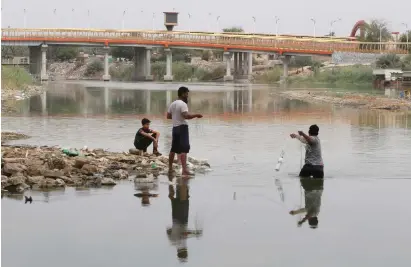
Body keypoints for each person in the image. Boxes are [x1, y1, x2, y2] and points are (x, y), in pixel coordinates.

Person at [166, 86, 203, 175]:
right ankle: (184, 170)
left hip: (175, 128)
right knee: (184, 149)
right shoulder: (182, 104)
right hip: (182, 128)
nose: (187, 96)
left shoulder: (173, 104)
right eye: (186, 94)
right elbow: (186, 116)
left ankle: (170, 168)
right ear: (182, 94)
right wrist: (196, 115)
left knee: (173, 149)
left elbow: (168, 116)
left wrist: (176, 118)